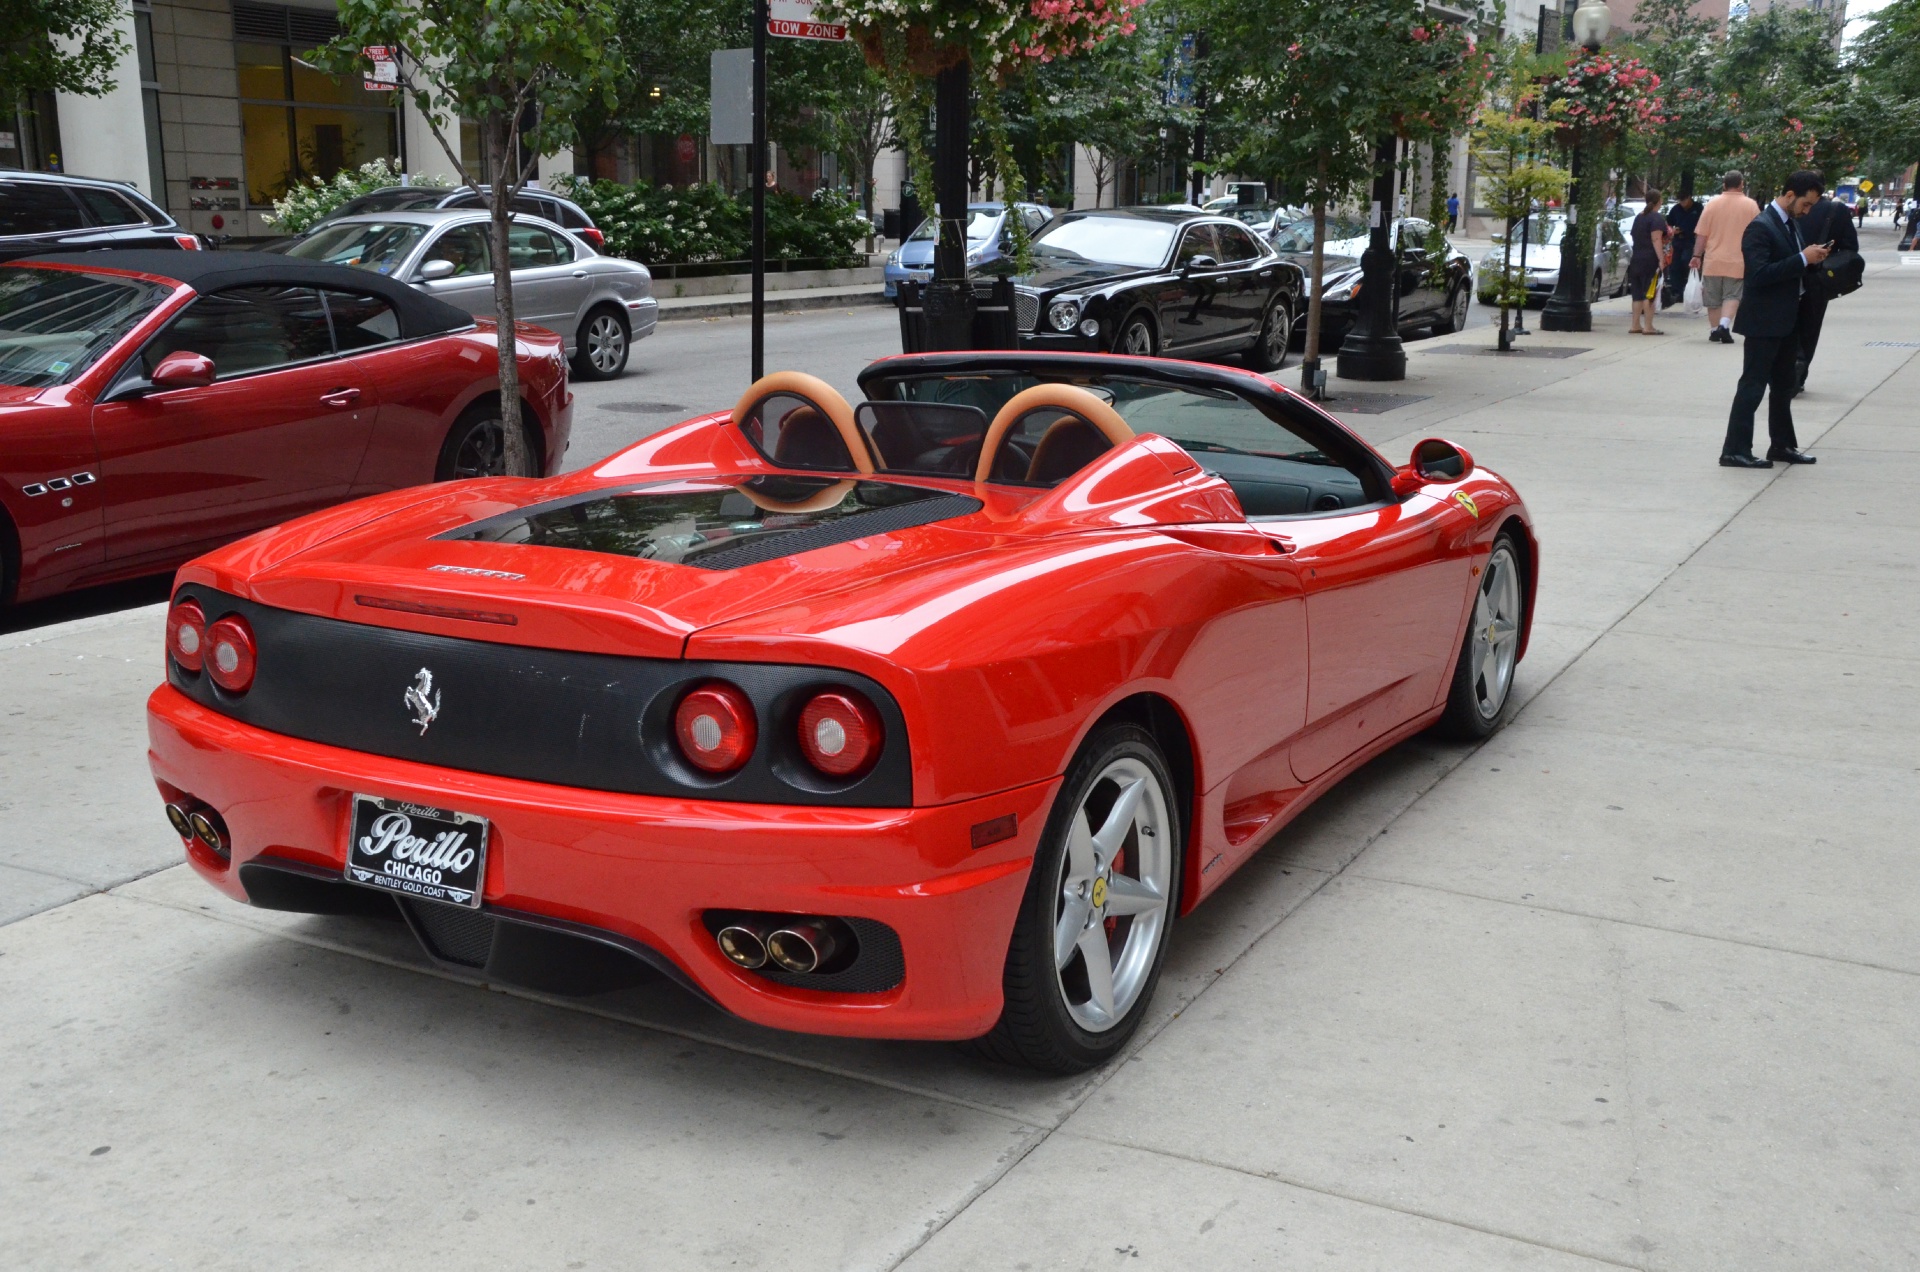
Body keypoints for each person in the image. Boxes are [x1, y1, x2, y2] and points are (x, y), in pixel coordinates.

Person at [1720, 170, 1830, 469]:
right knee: (1753, 384)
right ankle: (1734, 449)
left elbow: (1792, 267)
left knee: (1783, 385)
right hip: (1763, 320)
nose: (1807, 211)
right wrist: (1802, 259)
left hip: (1787, 317)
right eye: (1806, 204)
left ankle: (1782, 445)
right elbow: (1758, 274)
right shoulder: (1761, 227)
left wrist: (1811, 260)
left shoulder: (1790, 224)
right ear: (1790, 195)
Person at [1794, 187, 1861, 390]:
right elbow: (1851, 248)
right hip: (1821, 277)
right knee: (1811, 327)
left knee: (1788, 324)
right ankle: (1800, 369)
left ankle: (1791, 364)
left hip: (1791, 274)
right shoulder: (1836, 210)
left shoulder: (1791, 208)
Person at [1691, 171, 1760, 343]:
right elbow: (1759, 234)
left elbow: (1702, 235)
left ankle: (1714, 330)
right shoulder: (1751, 206)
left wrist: (1696, 255)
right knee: (1732, 295)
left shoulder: (1712, 205)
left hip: (1713, 260)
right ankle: (1724, 325)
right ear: (1741, 184)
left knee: (1713, 298)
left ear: (1724, 184)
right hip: (1738, 260)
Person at [1628, 190, 1671, 334]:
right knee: (1650, 292)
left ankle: (1635, 325)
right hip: (1650, 259)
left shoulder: (1639, 218)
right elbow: (1656, 239)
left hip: (1636, 258)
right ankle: (1648, 326)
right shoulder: (1657, 219)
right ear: (1659, 201)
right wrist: (1661, 259)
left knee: (1637, 293)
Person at [1663, 191, 1701, 308]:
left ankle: (1687, 286)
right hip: (1678, 240)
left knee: (1686, 260)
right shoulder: (1676, 209)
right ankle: (1677, 291)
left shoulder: (1698, 208)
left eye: (1684, 200)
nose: (1682, 204)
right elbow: (1669, 223)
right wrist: (1673, 230)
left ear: (1689, 198)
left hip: (1690, 240)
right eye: (1680, 201)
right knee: (1675, 265)